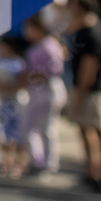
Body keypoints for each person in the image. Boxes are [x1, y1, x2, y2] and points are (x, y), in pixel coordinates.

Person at [66, 0, 101, 192]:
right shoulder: (86, 30)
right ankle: (92, 173)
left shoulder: (92, 34)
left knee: (94, 132)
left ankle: (99, 175)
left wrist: (80, 93)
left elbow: (89, 67)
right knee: (88, 131)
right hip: (90, 90)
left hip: (91, 92)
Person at [19, 15, 67, 175]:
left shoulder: (49, 46)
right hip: (37, 90)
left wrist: (30, 76)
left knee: (47, 127)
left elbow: (52, 72)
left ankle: (49, 164)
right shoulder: (36, 46)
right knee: (29, 127)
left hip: (48, 90)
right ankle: (37, 161)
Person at [0, 36, 27, 177]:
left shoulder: (18, 64)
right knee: (0, 133)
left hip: (15, 103)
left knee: (15, 135)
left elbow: (21, 84)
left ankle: (17, 164)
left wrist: (7, 87)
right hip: (2, 103)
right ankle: (2, 161)